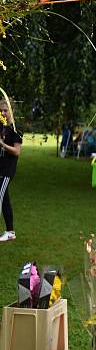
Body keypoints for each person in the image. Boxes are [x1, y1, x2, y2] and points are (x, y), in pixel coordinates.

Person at [0, 98, 22, 242]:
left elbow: (16, 151)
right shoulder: (1, 127)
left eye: (5, 110)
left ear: (11, 111)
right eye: (1, 111)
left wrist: (2, 144)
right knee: (4, 200)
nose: (3, 113)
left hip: (6, 170)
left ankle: (9, 232)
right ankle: (10, 232)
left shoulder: (16, 129)